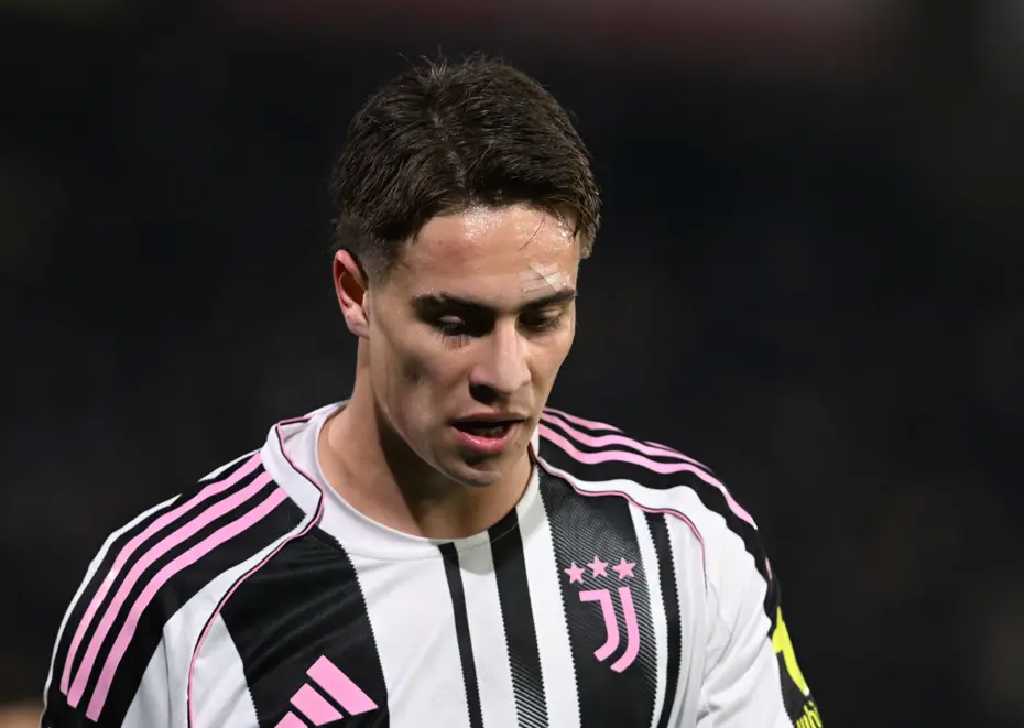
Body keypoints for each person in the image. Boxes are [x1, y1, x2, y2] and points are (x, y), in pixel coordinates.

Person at [42, 57, 821, 728]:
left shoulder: (682, 543)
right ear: (355, 293)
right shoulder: (173, 603)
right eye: (457, 322)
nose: (506, 373)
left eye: (543, 317)